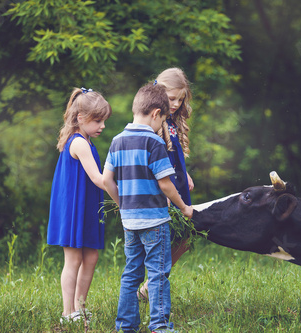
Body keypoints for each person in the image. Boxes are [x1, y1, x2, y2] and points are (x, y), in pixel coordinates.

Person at [103, 82, 193, 333]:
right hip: (154, 221)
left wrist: (123, 204)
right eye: (162, 120)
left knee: (131, 273)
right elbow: (165, 184)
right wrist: (184, 207)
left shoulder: (117, 141)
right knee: (157, 274)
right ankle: (159, 326)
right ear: (155, 113)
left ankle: (126, 326)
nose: (160, 126)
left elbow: (106, 180)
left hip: (130, 222)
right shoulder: (154, 142)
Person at [47, 87, 112, 323]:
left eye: (103, 120)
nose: (102, 126)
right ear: (80, 118)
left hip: (86, 207)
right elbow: (98, 178)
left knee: (91, 257)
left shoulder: (86, 139)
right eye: (98, 120)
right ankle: (67, 313)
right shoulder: (78, 143)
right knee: (73, 260)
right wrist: (124, 193)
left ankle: (79, 306)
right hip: (74, 209)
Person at [138, 68, 195, 300]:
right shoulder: (152, 120)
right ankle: (149, 287)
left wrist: (184, 173)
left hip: (176, 180)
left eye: (180, 99)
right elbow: (151, 158)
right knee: (162, 238)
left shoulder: (172, 120)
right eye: (172, 98)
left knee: (184, 236)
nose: (176, 103)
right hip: (161, 185)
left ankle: (152, 284)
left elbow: (175, 152)